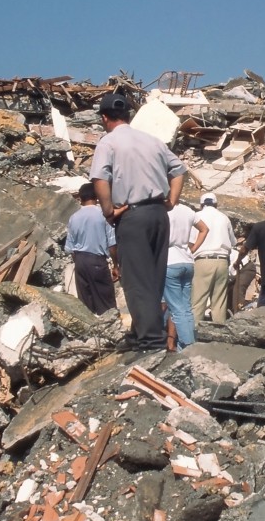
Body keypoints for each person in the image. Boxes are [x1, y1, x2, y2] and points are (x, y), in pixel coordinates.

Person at [90, 93, 187, 352]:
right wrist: (172, 201)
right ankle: (138, 335)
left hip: (133, 216)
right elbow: (179, 170)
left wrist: (109, 210)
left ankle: (150, 342)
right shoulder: (152, 140)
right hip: (159, 214)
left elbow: (99, 178)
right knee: (153, 278)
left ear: (104, 117)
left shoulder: (108, 142)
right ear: (128, 115)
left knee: (135, 280)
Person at [65, 182, 118, 315]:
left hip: (80, 261)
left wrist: (78, 262)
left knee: (85, 301)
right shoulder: (103, 214)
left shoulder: (73, 218)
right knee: (106, 301)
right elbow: (112, 244)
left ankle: (91, 331)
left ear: (80, 198)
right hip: (97, 261)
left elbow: (70, 247)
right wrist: (116, 266)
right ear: (97, 196)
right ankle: (111, 330)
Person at [164, 202, 207, 349]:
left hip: (170, 260)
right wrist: (193, 248)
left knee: (176, 309)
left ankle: (188, 344)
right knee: (186, 307)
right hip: (187, 261)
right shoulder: (187, 210)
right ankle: (188, 343)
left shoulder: (164, 211)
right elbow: (204, 229)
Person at [190, 192, 235, 324]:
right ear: (216, 204)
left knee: (198, 301)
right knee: (219, 301)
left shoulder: (197, 216)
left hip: (203, 260)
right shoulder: (224, 217)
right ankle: (218, 336)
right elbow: (233, 241)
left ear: (201, 205)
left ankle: (194, 335)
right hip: (222, 261)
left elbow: (190, 241)